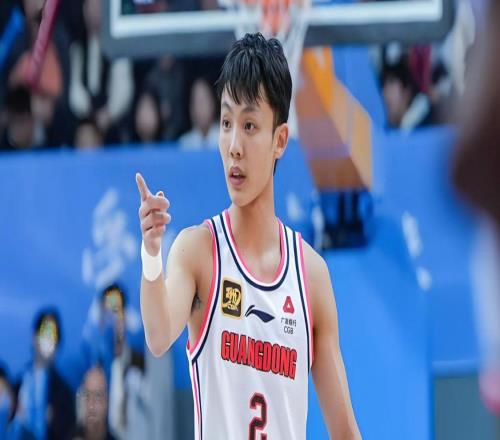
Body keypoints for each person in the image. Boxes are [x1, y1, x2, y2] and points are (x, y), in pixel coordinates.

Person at [135, 33, 361, 439]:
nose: (234, 146)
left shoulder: (311, 276)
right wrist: (152, 253)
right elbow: (157, 335)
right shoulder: (198, 250)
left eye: (250, 125)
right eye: (226, 123)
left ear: (280, 140)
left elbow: (344, 431)